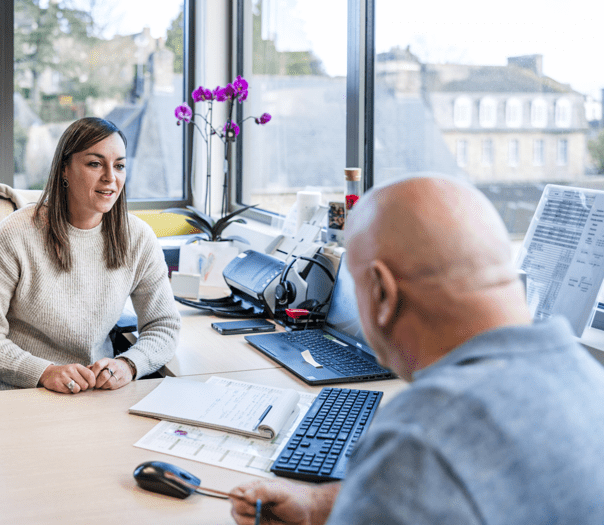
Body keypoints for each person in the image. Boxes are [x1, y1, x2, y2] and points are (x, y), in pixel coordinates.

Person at [229, 176, 604, 524]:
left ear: (381, 293)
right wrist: (316, 506)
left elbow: (427, 472)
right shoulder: (587, 383)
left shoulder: (421, 439)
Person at [0, 117, 181, 394]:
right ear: (64, 169)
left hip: (89, 393)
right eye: (95, 163)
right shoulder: (15, 234)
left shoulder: (138, 238)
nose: (110, 178)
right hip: (12, 390)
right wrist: (45, 372)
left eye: (120, 166)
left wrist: (129, 364)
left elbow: (163, 325)